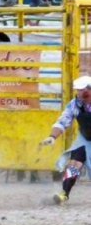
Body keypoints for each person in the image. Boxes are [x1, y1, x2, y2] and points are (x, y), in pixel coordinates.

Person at [40, 75, 91, 203]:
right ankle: (64, 193)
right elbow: (63, 122)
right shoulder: (75, 105)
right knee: (74, 164)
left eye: (83, 90)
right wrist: (52, 137)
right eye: (78, 91)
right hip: (85, 139)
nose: (80, 93)